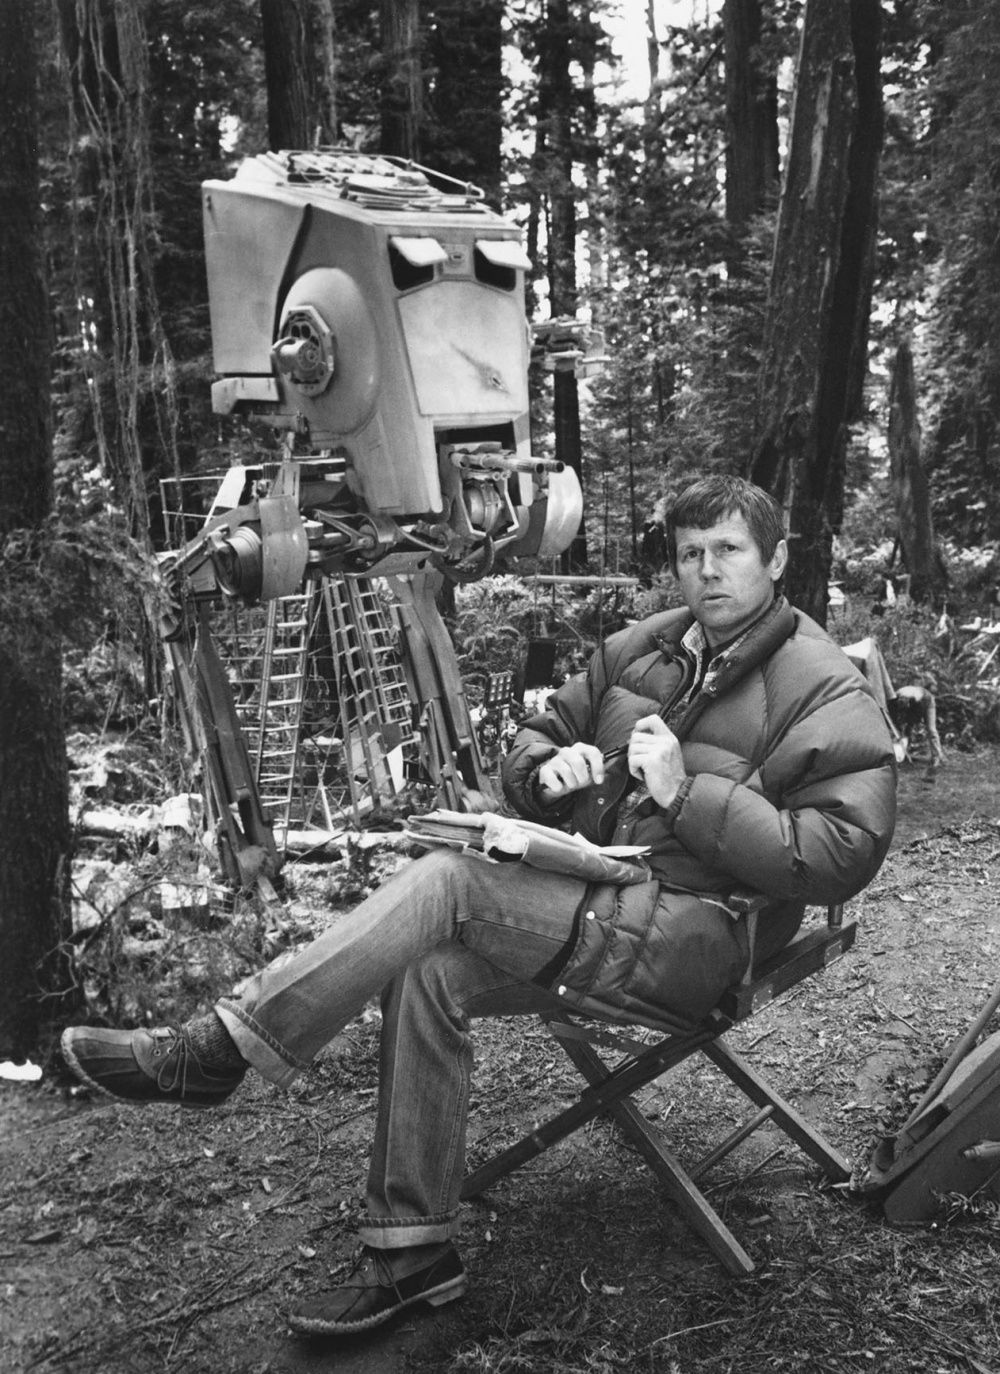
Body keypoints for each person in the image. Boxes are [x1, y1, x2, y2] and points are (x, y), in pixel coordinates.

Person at [61, 476, 897, 1339]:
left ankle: (219, 1050)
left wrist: (687, 795)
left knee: (450, 882)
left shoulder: (823, 685)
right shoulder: (642, 647)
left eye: (728, 551)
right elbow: (535, 738)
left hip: (700, 934)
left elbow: (842, 853)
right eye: (691, 553)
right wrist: (545, 775)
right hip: (599, 898)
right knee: (427, 969)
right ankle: (412, 1257)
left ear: (776, 560)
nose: (708, 571)